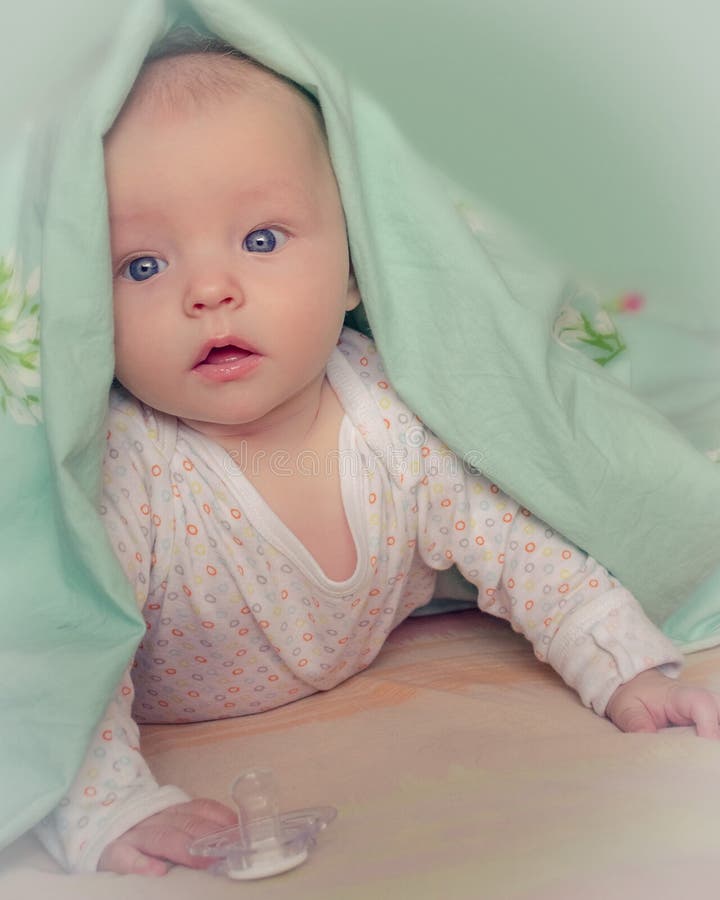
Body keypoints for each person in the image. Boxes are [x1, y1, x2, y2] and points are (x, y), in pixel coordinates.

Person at [35, 32, 720, 877]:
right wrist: (108, 805)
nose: (209, 292)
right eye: (142, 263)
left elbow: (519, 549)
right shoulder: (128, 467)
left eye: (260, 239)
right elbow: (67, 636)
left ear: (356, 269)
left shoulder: (390, 413)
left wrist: (623, 670)